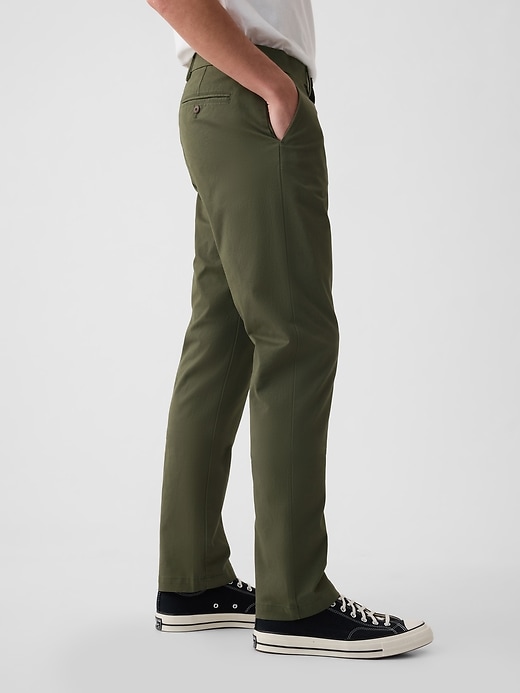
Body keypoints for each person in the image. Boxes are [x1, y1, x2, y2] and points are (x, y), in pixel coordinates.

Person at [147, 0, 433, 658]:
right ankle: (296, 601)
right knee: (295, 337)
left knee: (221, 339)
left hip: (224, 94)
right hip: (252, 90)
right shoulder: (265, 83)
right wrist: (274, 86)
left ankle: (193, 580)